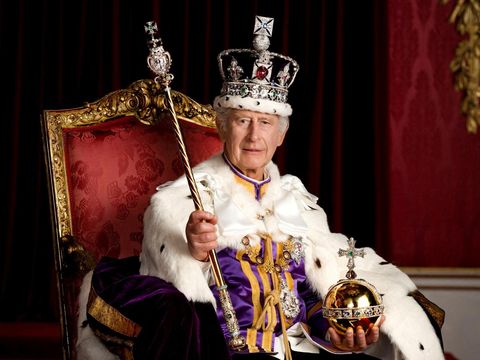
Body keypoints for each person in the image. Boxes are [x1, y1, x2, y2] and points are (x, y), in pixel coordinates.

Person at [77, 16, 445, 360]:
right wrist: (191, 250)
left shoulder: (300, 205)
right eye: (243, 120)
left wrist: (336, 331)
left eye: (266, 123)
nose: (254, 135)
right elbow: (167, 290)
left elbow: (308, 297)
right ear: (222, 126)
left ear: (281, 134)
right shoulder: (182, 202)